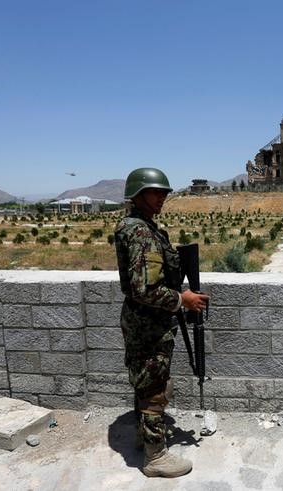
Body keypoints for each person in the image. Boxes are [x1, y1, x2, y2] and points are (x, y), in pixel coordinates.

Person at [114, 167, 209, 478]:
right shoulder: (140, 233)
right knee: (155, 386)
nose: (162, 199)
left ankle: (145, 437)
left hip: (146, 322)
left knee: (145, 381)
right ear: (139, 195)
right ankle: (155, 457)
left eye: (165, 193)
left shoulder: (142, 227)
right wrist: (183, 299)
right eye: (156, 193)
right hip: (148, 325)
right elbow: (145, 289)